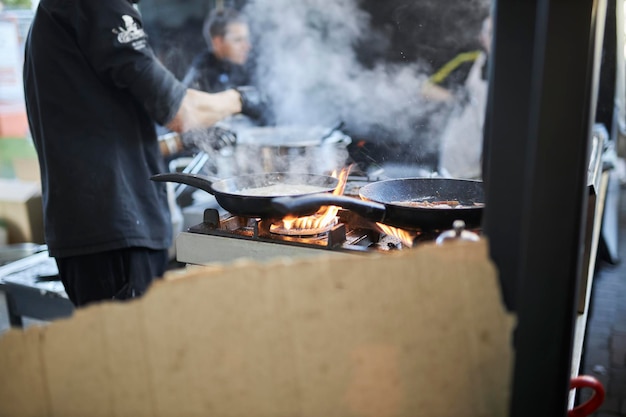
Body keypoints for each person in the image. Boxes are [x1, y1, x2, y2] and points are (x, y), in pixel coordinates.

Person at [22, 0, 263, 307]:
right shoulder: (98, 4)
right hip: (112, 230)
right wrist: (242, 98)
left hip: (96, 230)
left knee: (119, 351)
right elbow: (179, 111)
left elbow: (113, 125)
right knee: (127, 352)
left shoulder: (61, 11)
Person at [435, 16, 492, 179]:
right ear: (482, 38)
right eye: (490, 33)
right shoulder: (467, 61)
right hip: (460, 159)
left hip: (491, 165)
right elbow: (426, 88)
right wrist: (455, 97)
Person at [182, 7, 252, 94]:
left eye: (246, 39)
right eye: (238, 40)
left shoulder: (239, 69)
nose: (247, 47)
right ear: (218, 42)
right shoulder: (200, 79)